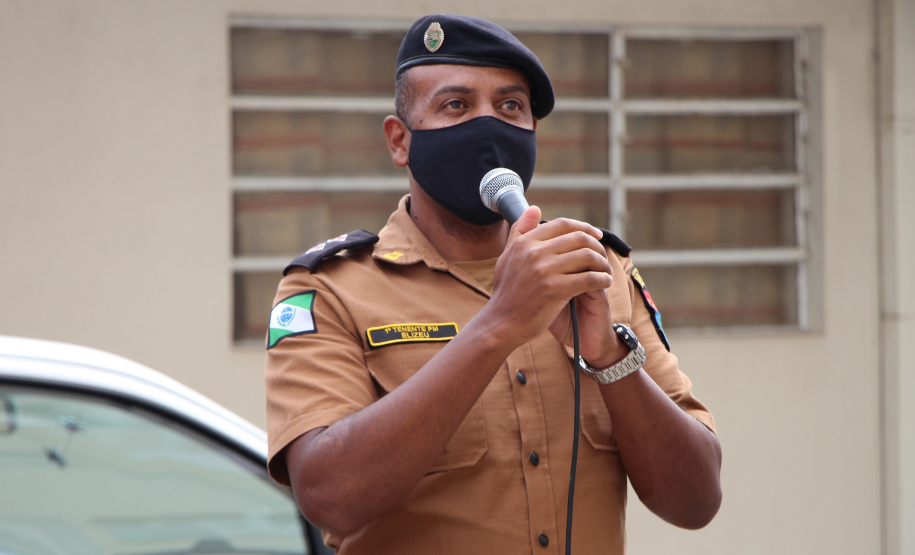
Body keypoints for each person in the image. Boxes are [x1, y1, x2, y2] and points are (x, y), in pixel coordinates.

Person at [264, 14, 722, 554]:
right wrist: (499, 323)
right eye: (455, 105)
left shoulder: (596, 272)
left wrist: (610, 361)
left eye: (510, 107)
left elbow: (696, 501)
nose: (489, 126)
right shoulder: (331, 289)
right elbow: (328, 493)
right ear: (399, 141)